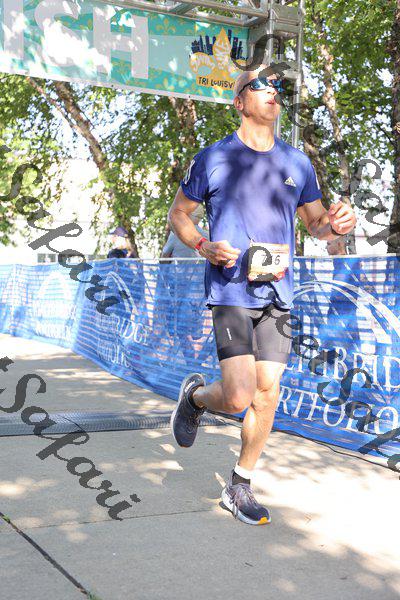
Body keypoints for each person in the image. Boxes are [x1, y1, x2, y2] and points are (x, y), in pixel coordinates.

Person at [168, 63, 357, 525]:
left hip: (278, 294)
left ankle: (240, 483)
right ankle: (195, 399)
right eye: (260, 85)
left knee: (267, 391)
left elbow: (315, 225)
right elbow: (179, 214)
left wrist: (336, 225)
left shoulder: (297, 163)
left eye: (277, 86)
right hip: (230, 291)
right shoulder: (214, 158)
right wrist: (203, 245)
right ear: (239, 101)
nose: (273, 91)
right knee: (238, 396)